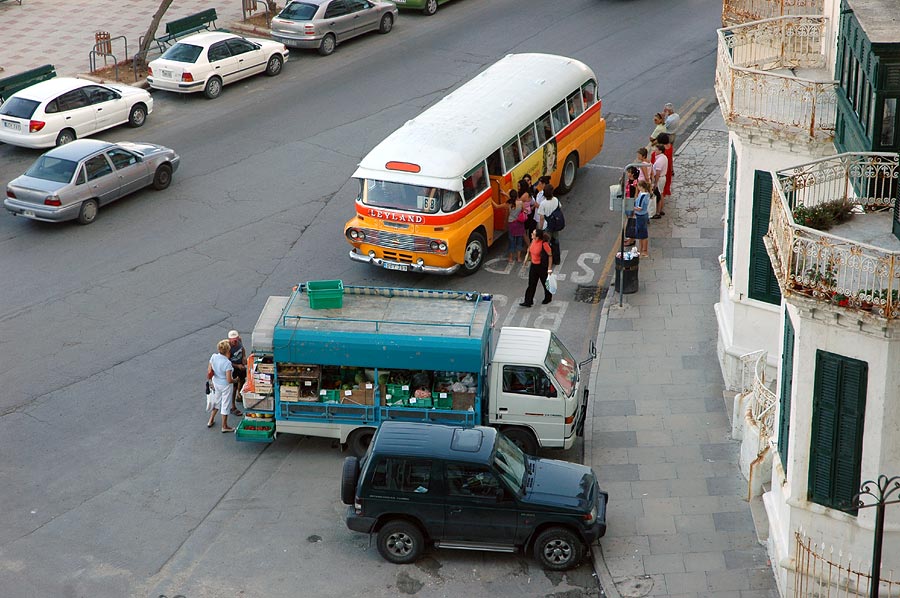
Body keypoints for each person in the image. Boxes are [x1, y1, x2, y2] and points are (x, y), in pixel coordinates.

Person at [207, 339, 238, 432]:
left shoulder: (214, 357)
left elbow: (209, 370)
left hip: (215, 382)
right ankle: (224, 426)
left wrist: (211, 381)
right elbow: (229, 379)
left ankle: (210, 420)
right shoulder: (227, 363)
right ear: (228, 351)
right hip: (225, 386)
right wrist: (235, 380)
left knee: (217, 402)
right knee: (225, 405)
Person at [520, 229, 554, 307]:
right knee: (531, 284)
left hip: (541, 266)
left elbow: (550, 255)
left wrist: (549, 268)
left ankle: (548, 297)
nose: (531, 234)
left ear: (538, 237)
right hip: (534, 266)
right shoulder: (533, 241)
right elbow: (529, 250)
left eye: (533, 234)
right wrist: (526, 259)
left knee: (545, 283)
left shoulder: (544, 244)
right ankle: (528, 301)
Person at [494, 189, 526, 262]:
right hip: (519, 224)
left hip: (511, 224)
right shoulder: (521, 203)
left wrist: (490, 199)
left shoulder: (508, 204)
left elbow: (496, 206)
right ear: (517, 195)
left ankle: (510, 258)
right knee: (519, 240)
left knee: (511, 241)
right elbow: (525, 211)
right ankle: (518, 258)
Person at [227, 330, 246, 416]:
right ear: (229, 339)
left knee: (242, 380)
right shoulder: (228, 348)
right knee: (233, 387)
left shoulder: (239, 341)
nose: (235, 341)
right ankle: (233, 406)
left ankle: (239, 395)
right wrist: (237, 366)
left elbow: (243, 348)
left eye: (236, 339)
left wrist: (244, 357)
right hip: (233, 368)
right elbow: (227, 362)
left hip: (240, 365)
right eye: (233, 340)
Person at [633, 181, 652, 257]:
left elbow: (639, 208)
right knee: (641, 233)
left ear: (641, 187)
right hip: (643, 215)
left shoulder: (642, 196)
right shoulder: (645, 194)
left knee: (642, 234)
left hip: (641, 216)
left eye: (638, 186)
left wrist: (632, 208)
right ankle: (641, 249)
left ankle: (644, 250)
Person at [651, 142, 668, 219]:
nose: (655, 151)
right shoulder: (663, 157)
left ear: (660, 151)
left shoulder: (659, 160)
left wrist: (655, 182)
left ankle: (658, 212)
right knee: (661, 193)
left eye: (656, 150)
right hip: (662, 177)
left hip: (660, 178)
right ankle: (660, 209)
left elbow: (657, 172)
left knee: (659, 194)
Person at [623, 166, 639, 247]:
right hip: (628, 201)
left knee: (630, 221)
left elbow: (636, 194)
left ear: (632, 174)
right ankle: (630, 238)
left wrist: (634, 204)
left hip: (632, 201)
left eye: (629, 172)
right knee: (628, 219)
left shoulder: (635, 182)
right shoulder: (628, 180)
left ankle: (631, 239)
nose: (627, 173)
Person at [656, 132, 674, 202]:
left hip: (663, 167)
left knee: (661, 186)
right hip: (668, 166)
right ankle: (665, 193)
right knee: (667, 181)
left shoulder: (663, 150)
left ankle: (661, 199)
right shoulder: (670, 146)